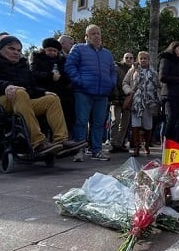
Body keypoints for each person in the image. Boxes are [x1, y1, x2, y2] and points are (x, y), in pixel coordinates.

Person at [0, 36, 85, 158]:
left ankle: (61, 140)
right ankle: (38, 143)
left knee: (52, 99)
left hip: (21, 99)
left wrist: (42, 93)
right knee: (19, 92)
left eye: (18, 50)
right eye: (11, 49)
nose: (16, 52)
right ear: (0, 48)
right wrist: (6, 86)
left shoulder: (21, 64)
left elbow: (30, 87)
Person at [65, 24, 116, 161]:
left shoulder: (107, 53)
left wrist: (111, 83)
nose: (96, 36)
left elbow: (113, 71)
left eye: (98, 33)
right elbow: (70, 66)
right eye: (93, 34)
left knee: (99, 123)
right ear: (86, 37)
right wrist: (80, 81)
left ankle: (96, 150)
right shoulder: (78, 49)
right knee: (81, 121)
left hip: (102, 94)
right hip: (83, 92)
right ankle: (79, 150)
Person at [31, 37, 75, 133]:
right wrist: (50, 76)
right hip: (43, 92)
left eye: (55, 51)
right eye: (49, 50)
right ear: (44, 50)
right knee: (43, 121)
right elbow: (33, 73)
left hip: (60, 94)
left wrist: (61, 77)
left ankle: (62, 137)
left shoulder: (61, 61)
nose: (52, 53)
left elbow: (66, 77)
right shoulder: (37, 58)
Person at [122, 51, 161, 156]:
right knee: (135, 124)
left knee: (148, 125)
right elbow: (125, 83)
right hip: (136, 102)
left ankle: (147, 145)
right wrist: (129, 91)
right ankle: (136, 147)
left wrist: (157, 97)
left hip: (149, 102)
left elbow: (158, 86)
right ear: (138, 60)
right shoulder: (133, 70)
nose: (143, 60)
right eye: (141, 59)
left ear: (148, 60)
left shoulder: (153, 72)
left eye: (145, 58)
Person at [158, 41, 179, 146]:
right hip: (169, 95)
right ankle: (167, 142)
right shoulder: (166, 59)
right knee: (171, 119)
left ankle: (177, 144)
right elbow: (162, 77)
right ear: (173, 49)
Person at [109, 52, 134, 153]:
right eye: (126, 57)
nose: (128, 59)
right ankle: (113, 143)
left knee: (125, 123)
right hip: (116, 99)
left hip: (128, 100)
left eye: (131, 58)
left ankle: (119, 144)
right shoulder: (117, 69)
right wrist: (115, 98)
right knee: (115, 121)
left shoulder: (134, 70)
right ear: (123, 59)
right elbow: (114, 84)